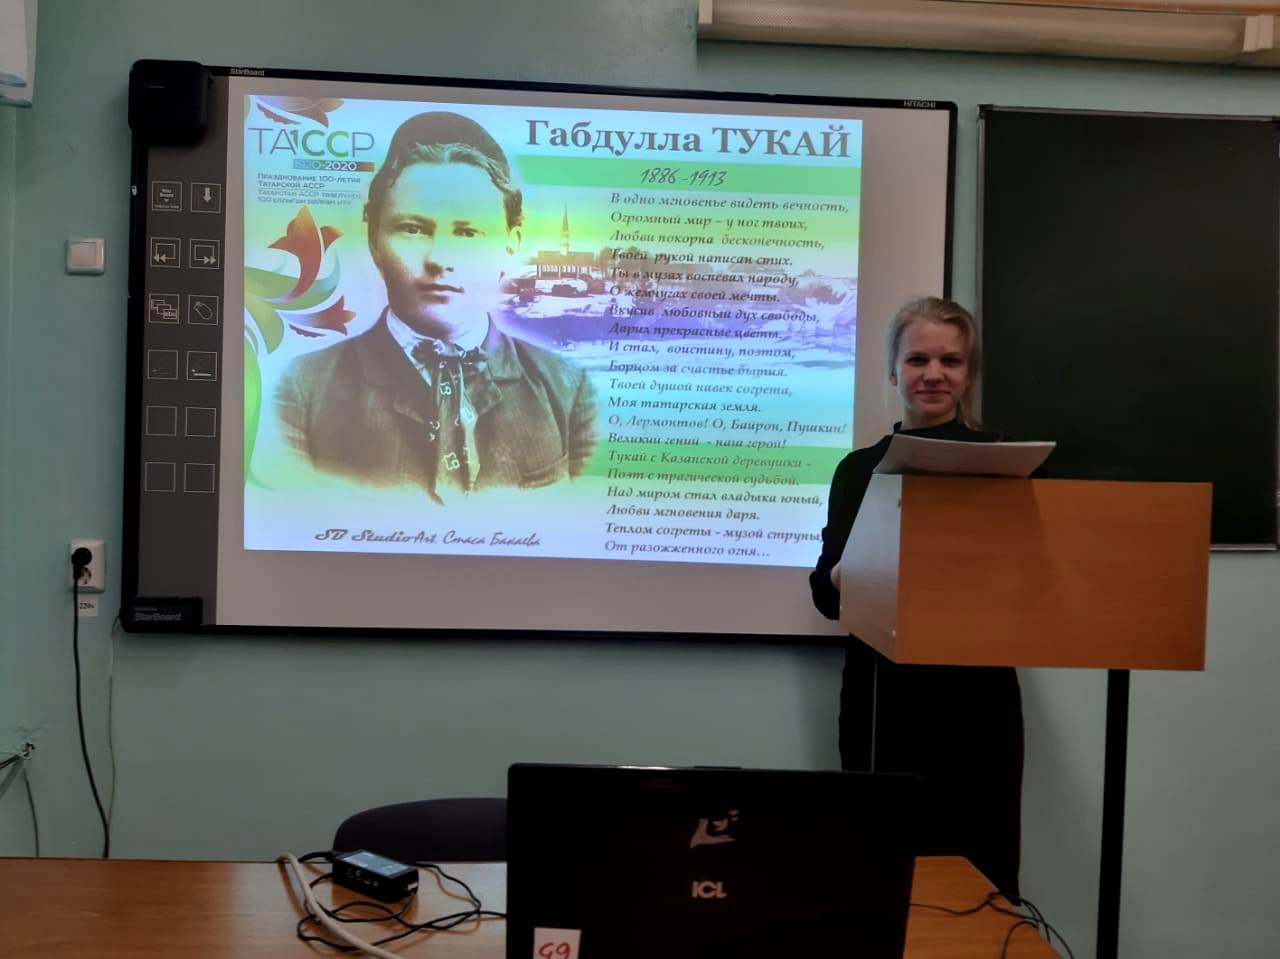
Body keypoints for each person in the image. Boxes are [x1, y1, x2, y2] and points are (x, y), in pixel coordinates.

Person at [809, 296, 1027, 896]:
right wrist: (861, 559)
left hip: (977, 695)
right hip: (883, 694)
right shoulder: (858, 469)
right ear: (893, 370)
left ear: (969, 373)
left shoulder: (1006, 462)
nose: (933, 374)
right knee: (881, 867)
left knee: (981, 868)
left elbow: (1028, 580)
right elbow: (825, 594)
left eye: (950, 361)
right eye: (917, 360)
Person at [273, 111, 598, 503]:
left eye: (468, 232)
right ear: (374, 239)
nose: (440, 258)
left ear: (510, 243)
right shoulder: (299, 392)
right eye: (413, 229)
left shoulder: (569, 390)